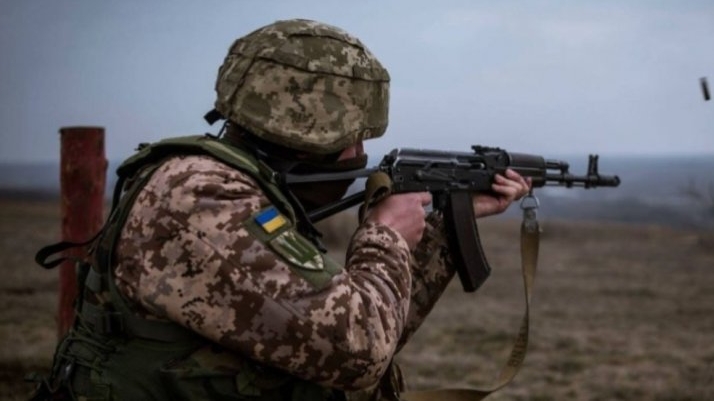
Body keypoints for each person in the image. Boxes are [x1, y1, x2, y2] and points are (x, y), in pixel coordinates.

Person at [32, 19, 531, 401]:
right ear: (311, 134)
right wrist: (386, 236)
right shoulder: (202, 198)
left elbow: (352, 328)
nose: (361, 153)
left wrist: (445, 230)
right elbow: (356, 352)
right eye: (355, 137)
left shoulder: (237, 188)